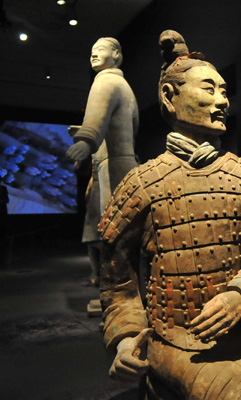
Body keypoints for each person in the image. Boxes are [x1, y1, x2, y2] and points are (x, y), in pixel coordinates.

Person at [99, 30, 241, 400]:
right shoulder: (142, 183)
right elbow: (118, 284)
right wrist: (124, 342)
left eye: (224, 91)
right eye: (208, 89)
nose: (222, 102)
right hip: (180, 342)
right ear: (170, 97)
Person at [66, 37, 139, 286]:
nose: (94, 54)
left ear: (116, 54)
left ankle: (118, 292)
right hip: (124, 164)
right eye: (91, 50)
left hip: (115, 167)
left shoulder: (106, 81)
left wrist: (86, 140)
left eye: (100, 49)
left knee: (115, 234)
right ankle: (124, 289)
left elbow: (96, 119)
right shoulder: (124, 85)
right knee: (125, 233)